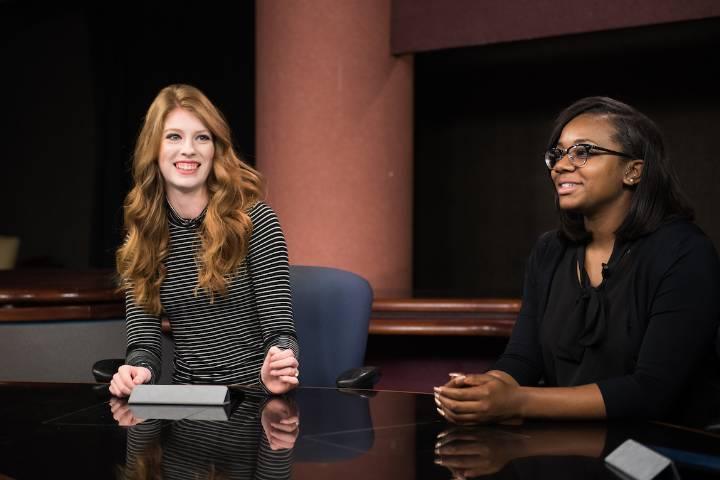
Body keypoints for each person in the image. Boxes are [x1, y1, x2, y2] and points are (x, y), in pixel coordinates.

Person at [435, 96, 720, 425]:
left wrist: (517, 401)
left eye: (583, 151)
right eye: (557, 154)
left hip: (658, 453)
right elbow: (523, 359)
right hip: (564, 445)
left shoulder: (685, 252)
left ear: (633, 171)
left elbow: (651, 391)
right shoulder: (550, 250)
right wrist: (483, 389)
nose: (561, 165)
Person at [109, 84, 299, 397]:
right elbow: (144, 344)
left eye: (202, 137)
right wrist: (137, 370)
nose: (188, 150)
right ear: (154, 149)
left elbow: (281, 332)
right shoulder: (143, 234)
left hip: (254, 396)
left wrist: (278, 365)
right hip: (187, 401)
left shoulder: (255, 222)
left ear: (215, 150)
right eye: (174, 137)